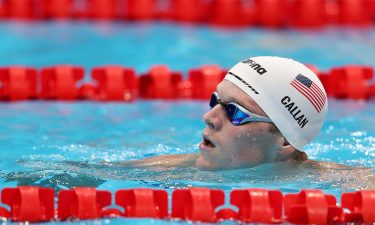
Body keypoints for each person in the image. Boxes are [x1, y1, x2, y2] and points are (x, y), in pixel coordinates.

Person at [125, 56, 328, 170]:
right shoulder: (164, 170)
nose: (209, 118)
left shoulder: (339, 189)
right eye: (215, 100)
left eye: (234, 111)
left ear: (285, 141)